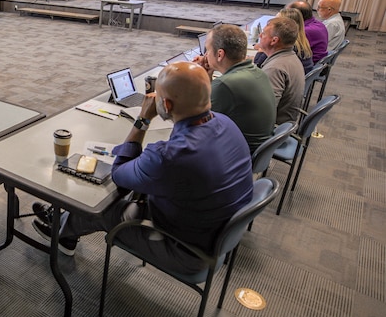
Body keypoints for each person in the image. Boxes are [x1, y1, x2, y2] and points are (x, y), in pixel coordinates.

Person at [32, 62, 253, 269]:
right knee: (136, 188)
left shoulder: (170, 157)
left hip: (186, 250)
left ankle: (60, 231)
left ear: (165, 105)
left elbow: (119, 174)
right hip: (215, 231)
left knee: (104, 207)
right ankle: (63, 224)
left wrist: (143, 119)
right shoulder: (226, 123)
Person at [195, 25, 276, 153]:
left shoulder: (225, 85)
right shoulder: (257, 72)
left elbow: (198, 125)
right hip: (257, 150)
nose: (205, 55)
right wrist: (208, 75)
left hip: (237, 155)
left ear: (220, 54)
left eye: (208, 50)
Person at [257, 17, 305, 125]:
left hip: (273, 129)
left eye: (263, 34)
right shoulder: (290, 58)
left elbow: (264, 113)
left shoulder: (274, 69)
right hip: (285, 123)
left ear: (274, 40)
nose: (260, 36)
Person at [253, 8, 313, 73]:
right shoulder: (301, 42)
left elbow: (258, 65)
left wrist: (263, 49)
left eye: (276, 21)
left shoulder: (285, 45)